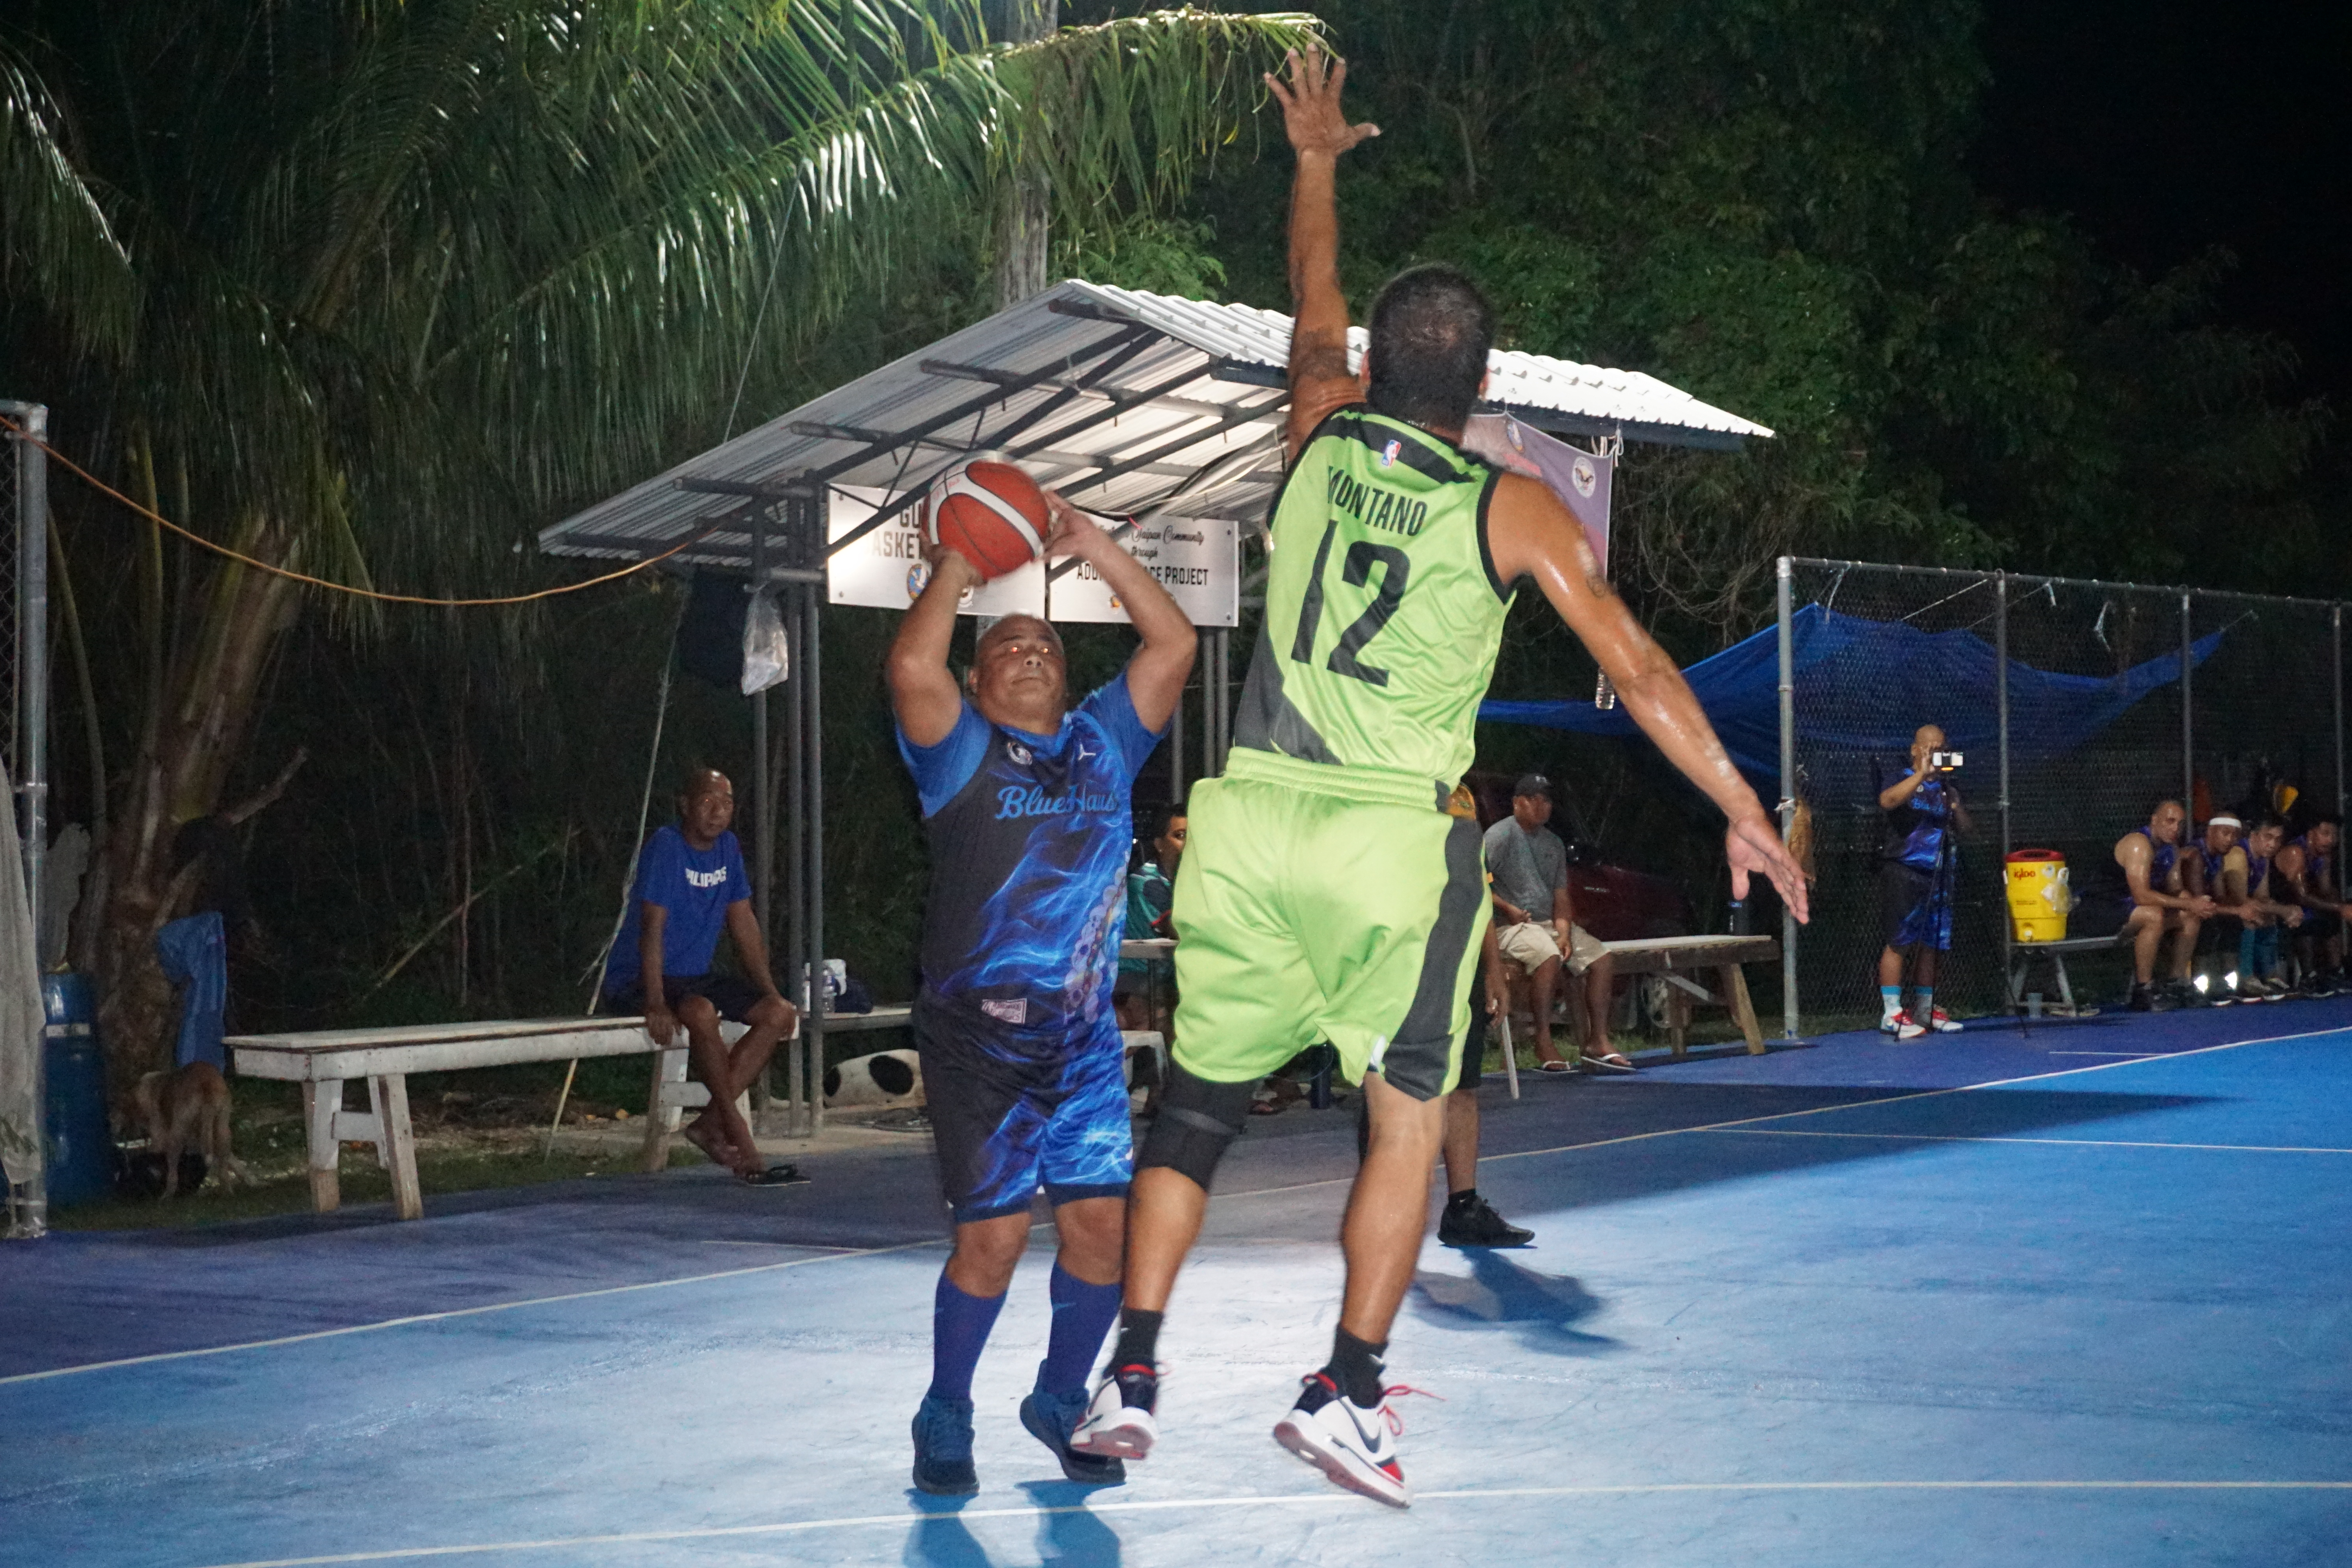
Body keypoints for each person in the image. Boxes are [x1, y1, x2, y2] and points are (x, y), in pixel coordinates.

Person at [1070, 46, 1808, 1509]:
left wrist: (1318, 160)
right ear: (1482, 382)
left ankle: (1129, 1372)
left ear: (1376, 369)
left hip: (1242, 821)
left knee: (1195, 1113)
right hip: (1386, 848)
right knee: (1409, 1110)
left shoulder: (1315, 436)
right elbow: (1645, 669)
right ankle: (1345, 1390)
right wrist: (1738, 803)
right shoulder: (1509, 502)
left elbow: (1309, 308)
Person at [886, 488, 1195, 1496]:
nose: (1030, 652)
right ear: (978, 685)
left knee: (1106, 1231)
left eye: (1047, 646)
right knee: (993, 1240)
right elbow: (908, 666)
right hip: (979, 1040)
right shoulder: (958, 752)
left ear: (1070, 676)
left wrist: (1095, 547)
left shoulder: (1108, 739)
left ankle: (1061, 1397)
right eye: (1007, 649)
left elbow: (1174, 642)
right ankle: (947, 1406)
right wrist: (959, 563)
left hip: (1084, 1040)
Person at [602, 769, 798, 1179]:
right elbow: (652, 927)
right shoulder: (667, 846)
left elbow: (743, 923)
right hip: (642, 975)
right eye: (708, 801)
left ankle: (709, 1124)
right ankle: (740, 1136)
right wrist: (654, 1001)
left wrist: (770, 992)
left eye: (726, 803)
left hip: (694, 976)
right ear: (686, 805)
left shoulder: (728, 848)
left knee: (777, 1014)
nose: (717, 812)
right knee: (700, 1011)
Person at [1482, 774, 1628, 1072]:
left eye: (1547, 800)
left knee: (1602, 959)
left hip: (1548, 922)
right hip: (1510, 926)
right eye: (1534, 799)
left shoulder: (1554, 843)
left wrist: (1564, 933)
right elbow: (1477, 883)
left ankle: (1597, 1039)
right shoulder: (1500, 836)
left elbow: (1561, 895)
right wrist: (1507, 907)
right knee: (1548, 957)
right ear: (1517, 803)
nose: (1542, 806)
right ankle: (1543, 1039)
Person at [1875, 726, 1969, 1038]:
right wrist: (1922, 775)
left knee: (1932, 944)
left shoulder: (1946, 789)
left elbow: (1968, 831)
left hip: (1940, 874)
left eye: (1940, 747)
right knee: (1900, 941)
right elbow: (1888, 801)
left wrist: (1954, 803)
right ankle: (1892, 1013)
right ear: (1915, 750)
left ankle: (1925, 1010)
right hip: (1906, 870)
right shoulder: (1900, 778)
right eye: (1928, 747)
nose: (1934, 752)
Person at [2102, 798, 2213, 1012]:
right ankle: (2144, 990)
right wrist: (2188, 903)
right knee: (2154, 915)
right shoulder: (2139, 844)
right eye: (2170, 822)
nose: (2175, 829)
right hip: (2104, 908)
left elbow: (2176, 889)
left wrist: (2198, 904)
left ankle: (2176, 983)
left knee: (2190, 915)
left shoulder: (2170, 849)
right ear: (2155, 821)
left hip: (2133, 910)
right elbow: (2141, 895)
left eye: (2180, 824)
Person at [1114, 803, 1185, 1034]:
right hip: (1136, 981)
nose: (1190, 845)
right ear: (1159, 845)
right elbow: (1185, 932)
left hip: (1163, 979)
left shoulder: (1184, 882)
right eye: (1180, 836)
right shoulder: (1147, 883)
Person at [2275, 815, 2350, 992]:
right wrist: (2342, 908)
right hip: (2281, 903)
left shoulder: (2324, 856)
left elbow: (2326, 890)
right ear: (2311, 834)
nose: (2331, 840)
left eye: (2334, 835)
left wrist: (2344, 907)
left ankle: (2336, 972)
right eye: (2326, 834)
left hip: (2302, 902)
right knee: (2306, 915)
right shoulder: (2297, 852)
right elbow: (2301, 897)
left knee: (2331, 915)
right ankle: (2308, 976)